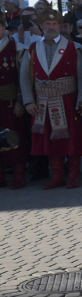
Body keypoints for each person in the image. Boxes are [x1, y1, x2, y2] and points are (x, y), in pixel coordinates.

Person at [19, 7, 82, 189]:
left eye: (54, 24)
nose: (51, 27)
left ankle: (73, 175)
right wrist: (28, 100)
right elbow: (24, 76)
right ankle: (57, 175)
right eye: (47, 24)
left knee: (72, 139)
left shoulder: (74, 47)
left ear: (60, 26)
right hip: (41, 101)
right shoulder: (32, 48)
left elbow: (81, 75)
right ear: (41, 26)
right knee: (49, 141)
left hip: (68, 99)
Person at [0, 17, 29, 188]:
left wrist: (20, 101)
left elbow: (22, 78)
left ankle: (19, 175)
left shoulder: (17, 48)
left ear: (4, 27)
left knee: (15, 137)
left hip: (10, 100)